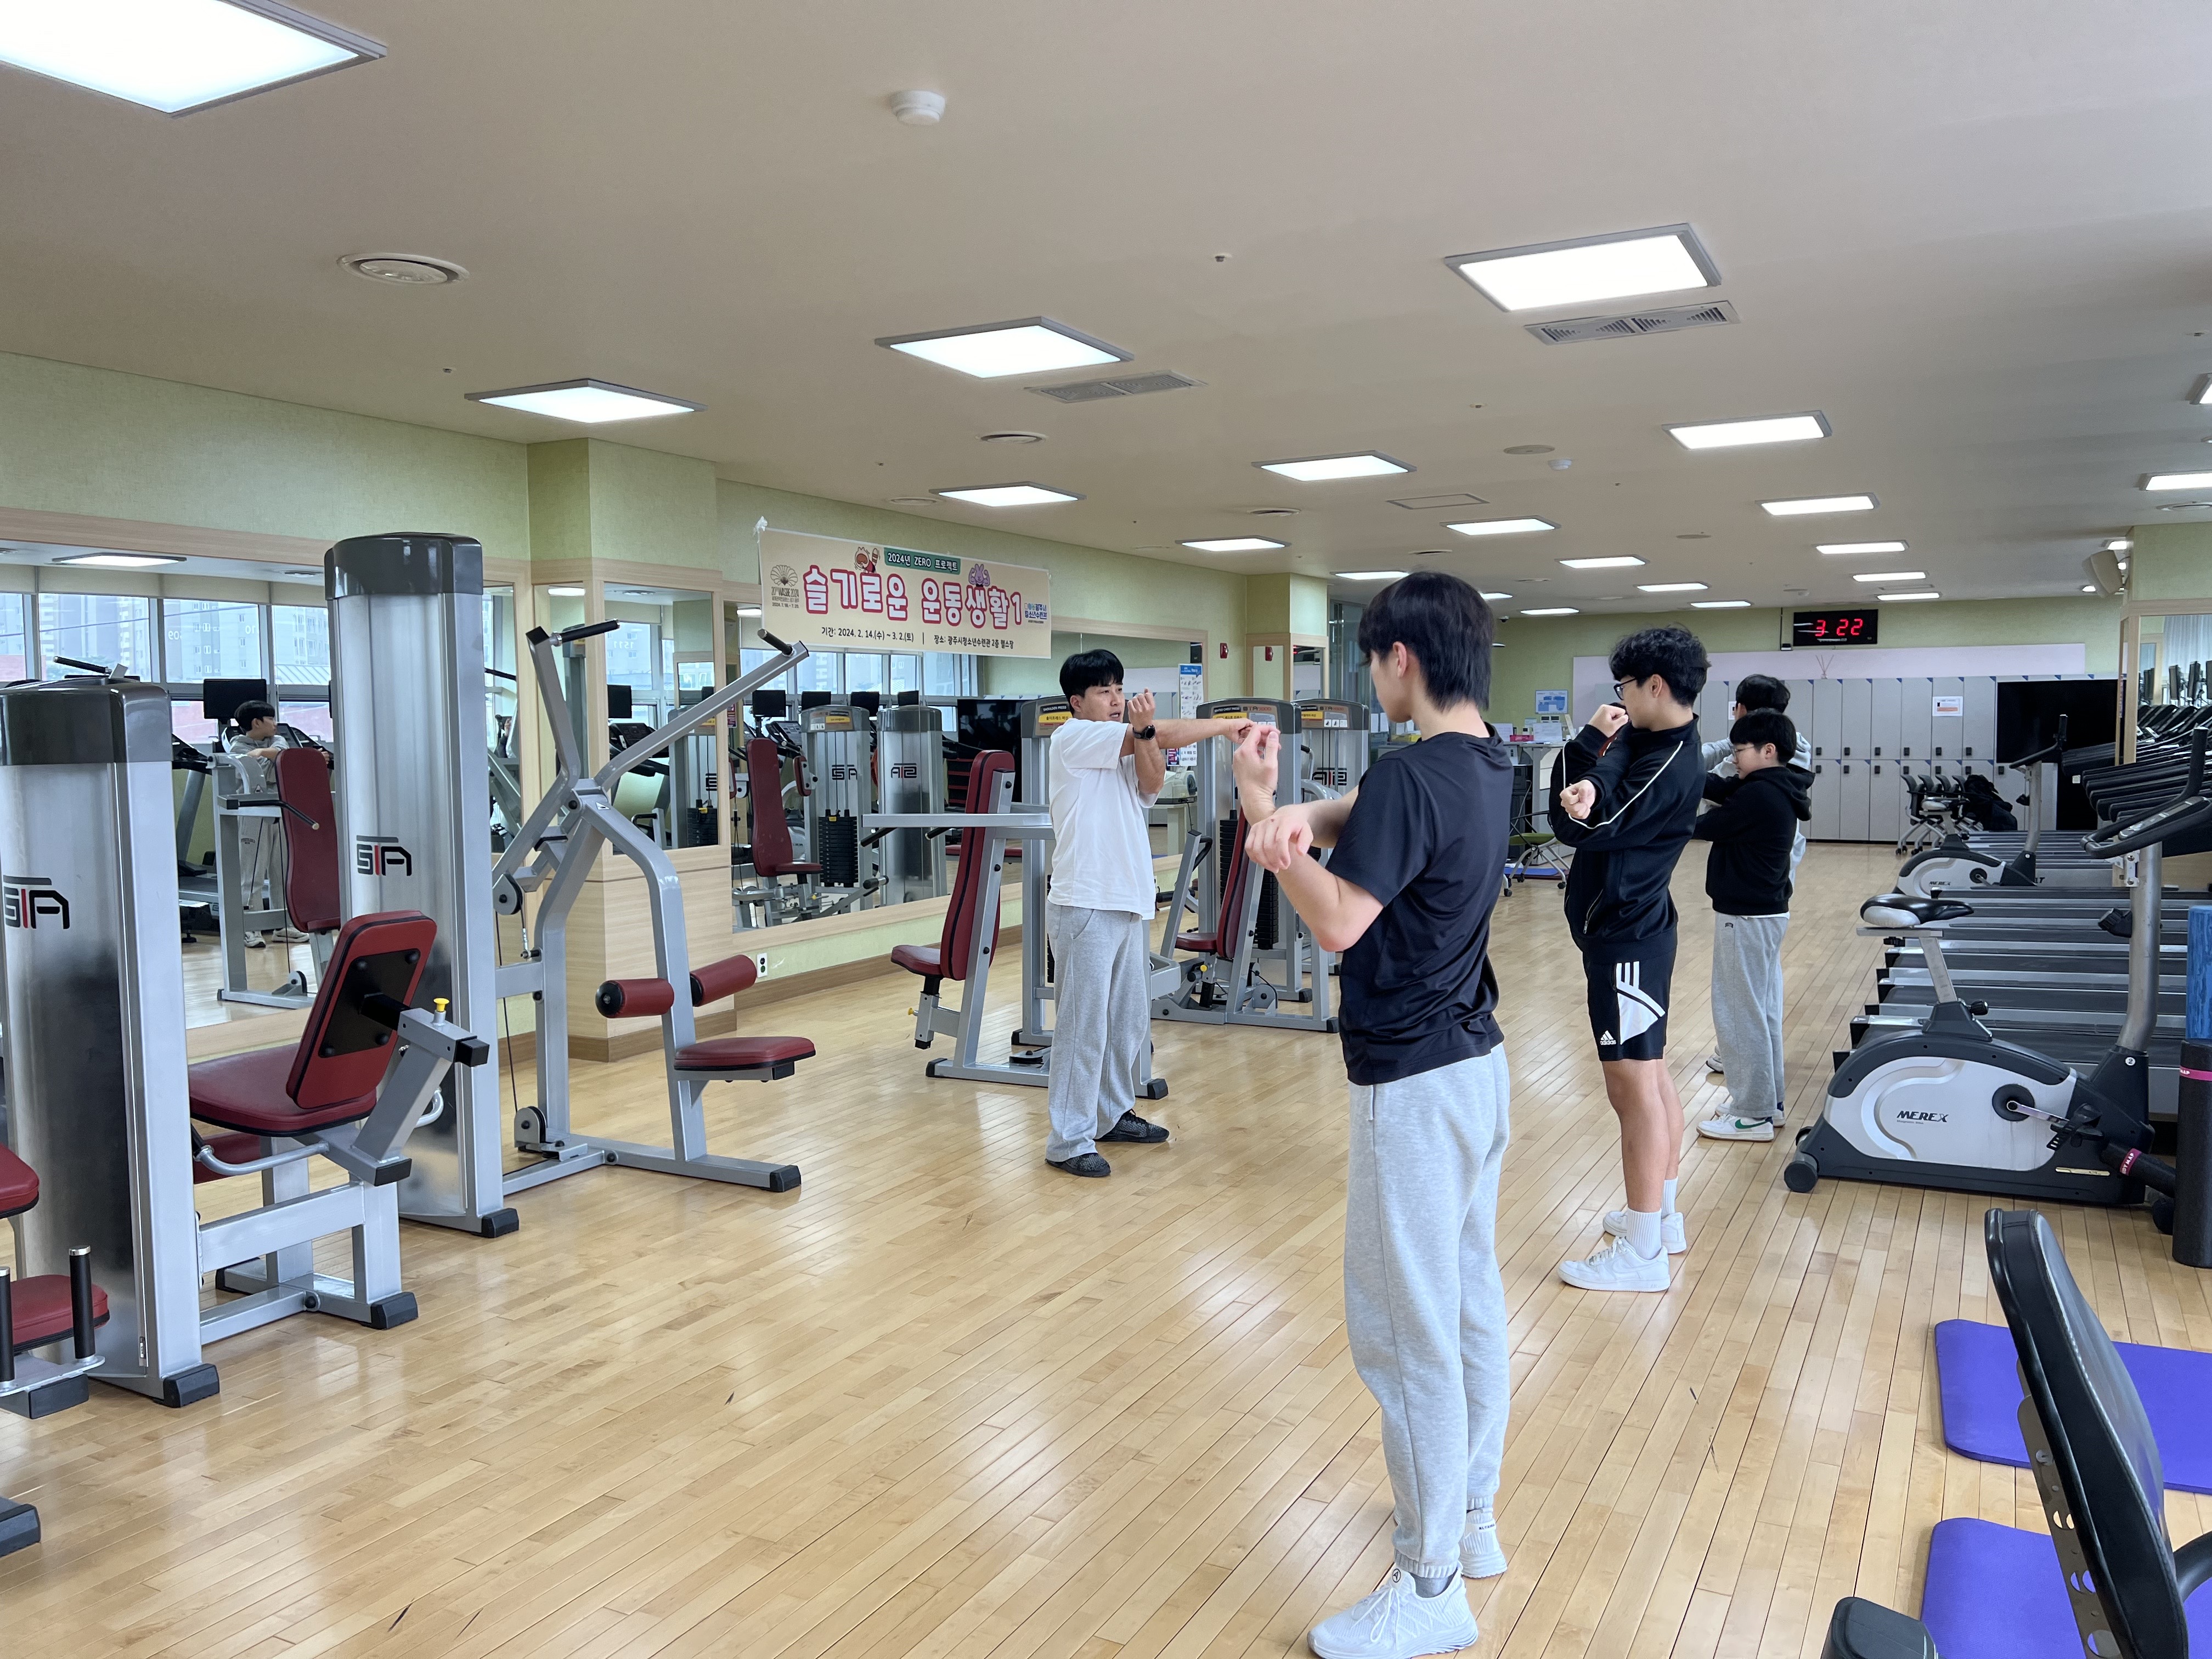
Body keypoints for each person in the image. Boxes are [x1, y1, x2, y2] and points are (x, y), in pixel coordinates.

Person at [1230, 571, 1513, 1659]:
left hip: (1414, 1084)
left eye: (1374, 660)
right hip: (1476, 1068)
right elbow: (1378, 812)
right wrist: (1295, 809)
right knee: (1467, 1303)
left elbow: (1341, 922)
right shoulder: (1486, 763)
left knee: (1405, 1332)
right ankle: (1470, 1518)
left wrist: (1273, 831)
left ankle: (1430, 1581)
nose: (1373, 678)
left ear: (1401, 658)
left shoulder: (1407, 774)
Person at [1043, 652, 1247, 1178]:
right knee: (1084, 1026)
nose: (1116, 699)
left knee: (1127, 1020)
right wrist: (1223, 726)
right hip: (1085, 901)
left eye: (1119, 688)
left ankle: (1111, 1114)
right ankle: (1068, 1140)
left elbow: (1152, 781)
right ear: (1077, 702)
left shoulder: (1131, 742)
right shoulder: (1072, 738)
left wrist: (1147, 733)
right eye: (1104, 691)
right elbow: (1165, 734)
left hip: (1128, 901)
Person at [1549, 627, 1708, 1293]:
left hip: (1629, 941)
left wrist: (1587, 757)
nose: (1619, 697)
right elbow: (1603, 786)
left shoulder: (1670, 763)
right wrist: (1594, 764)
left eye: (1625, 686)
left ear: (1655, 686)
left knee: (1633, 1089)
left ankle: (1642, 1252)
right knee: (1653, 1076)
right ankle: (1660, 1218)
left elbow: (1580, 825)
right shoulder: (1653, 740)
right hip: (1632, 931)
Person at [1690, 710, 1810, 1143]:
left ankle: (1752, 1114)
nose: (1735, 759)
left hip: (1746, 917)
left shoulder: (1760, 796)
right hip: (1764, 913)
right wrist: (1683, 768)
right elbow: (1721, 788)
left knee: (1740, 1016)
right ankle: (1766, 1103)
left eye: (1740, 750)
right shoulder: (1776, 785)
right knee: (1760, 1012)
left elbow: (1702, 826)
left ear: (1768, 751)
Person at [224, 699, 328, 950]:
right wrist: (279, 760)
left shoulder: (276, 740)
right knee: (253, 875)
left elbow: (283, 756)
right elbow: (267, 771)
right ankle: (250, 928)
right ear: (256, 722)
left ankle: (284, 926)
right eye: (270, 719)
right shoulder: (237, 747)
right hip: (253, 815)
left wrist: (265, 755)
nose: (275, 724)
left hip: (281, 811)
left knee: (282, 872)